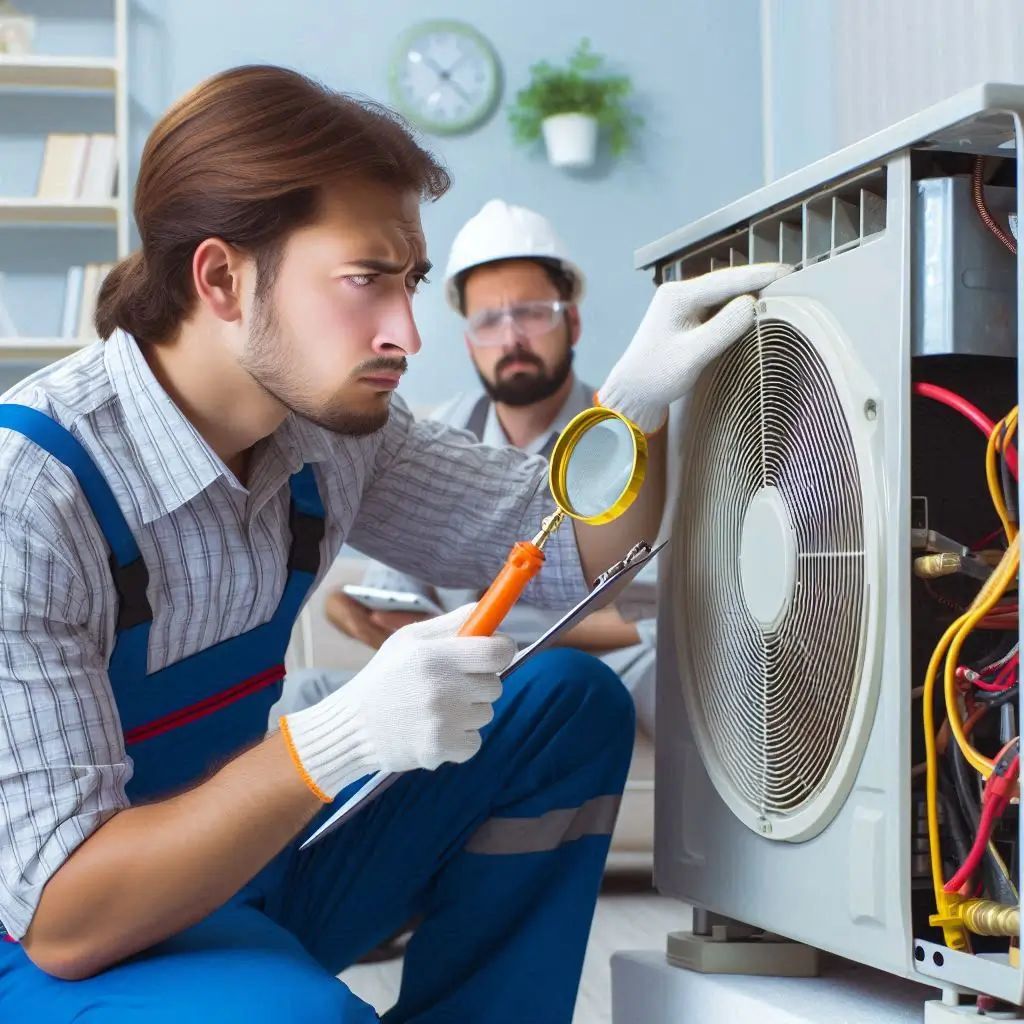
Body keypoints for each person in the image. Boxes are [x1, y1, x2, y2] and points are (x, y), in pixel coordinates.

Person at [0, 64, 789, 1023]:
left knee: (563, 708)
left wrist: (636, 408)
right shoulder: (31, 494)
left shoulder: (331, 434)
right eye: (366, 281)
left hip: (240, 877)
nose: (409, 333)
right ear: (221, 278)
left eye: (409, 282)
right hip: (60, 936)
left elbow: (578, 549)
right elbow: (64, 918)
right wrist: (336, 739)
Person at [289, 199, 659, 737]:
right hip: (466, 673)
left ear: (572, 322)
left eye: (532, 313)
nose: (511, 338)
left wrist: (499, 632)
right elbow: (385, 596)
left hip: (589, 673)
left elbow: (644, 617)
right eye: (489, 321)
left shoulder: (620, 431)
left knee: (624, 682)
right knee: (304, 695)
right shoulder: (439, 434)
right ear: (469, 341)